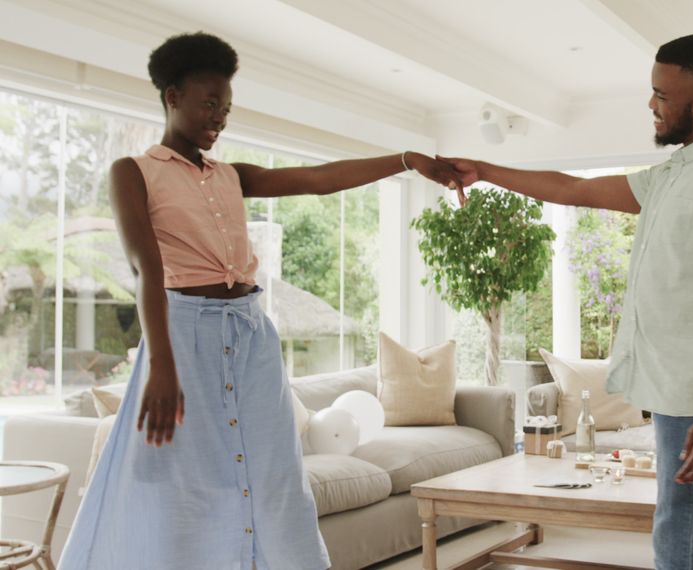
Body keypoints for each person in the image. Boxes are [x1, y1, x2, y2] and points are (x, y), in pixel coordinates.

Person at [58, 32, 461, 570]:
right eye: (209, 104)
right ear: (172, 96)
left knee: (274, 473)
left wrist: (407, 160)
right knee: (185, 478)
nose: (219, 119)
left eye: (226, 109)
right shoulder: (133, 172)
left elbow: (319, 180)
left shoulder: (230, 175)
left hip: (251, 334)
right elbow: (146, 269)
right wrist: (161, 365)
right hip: (183, 335)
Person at [439, 33, 693, 569]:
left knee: (681, 533)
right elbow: (573, 189)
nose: (651, 104)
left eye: (662, 95)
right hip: (680, 386)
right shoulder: (675, 173)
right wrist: (485, 171)